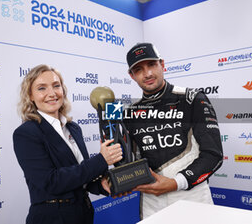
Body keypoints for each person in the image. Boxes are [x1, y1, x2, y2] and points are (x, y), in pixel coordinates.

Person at [13, 64, 123, 224]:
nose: (52, 93)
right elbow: (51, 182)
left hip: (83, 213)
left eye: (56, 86)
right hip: (53, 218)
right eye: (41, 88)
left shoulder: (73, 128)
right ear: (30, 95)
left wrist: (101, 185)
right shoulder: (26, 133)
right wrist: (101, 160)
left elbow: (80, 173)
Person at [124, 43, 223, 219]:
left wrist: (176, 183)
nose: (147, 74)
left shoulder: (192, 99)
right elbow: (128, 161)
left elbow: (213, 154)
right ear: (131, 76)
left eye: (152, 65)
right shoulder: (129, 113)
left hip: (191, 196)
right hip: (151, 201)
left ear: (162, 64)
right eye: (139, 69)